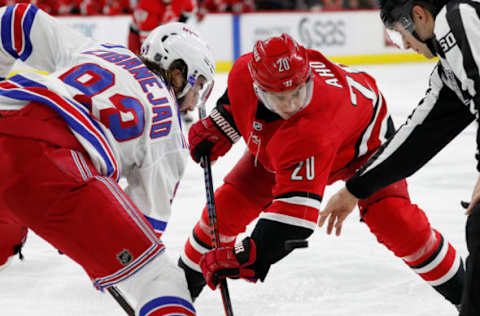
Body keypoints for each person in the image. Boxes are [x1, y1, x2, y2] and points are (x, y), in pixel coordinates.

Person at [177, 33, 465, 311]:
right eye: (280, 97)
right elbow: (235, 101)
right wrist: (221, 127)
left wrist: (248, 255)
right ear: (258, 88)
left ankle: (468, 295)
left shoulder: (311, 130)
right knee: (227, 208)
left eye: (298, 92)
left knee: (395, 221)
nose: (291, 104)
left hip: (364, 143)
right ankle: (175, 296)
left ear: (309, 80)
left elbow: (294, 222)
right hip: (290, 139)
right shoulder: (243, 71)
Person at [0, 4, 215, 315]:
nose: (197, 97)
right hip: (52, 163)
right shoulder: (169, 128)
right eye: (198, 85)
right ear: (179, 72)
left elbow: (15, 19)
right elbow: (145, 222)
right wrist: (91, 245)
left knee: (8, 228)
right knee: (161, 279)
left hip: (9, 107)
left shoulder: (102, 49)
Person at [318, 0, 480, 314]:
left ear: (419, 15)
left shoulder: (456, 17)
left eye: (400, 34)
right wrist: (356, 189)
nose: (404, 45)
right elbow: (415, 136)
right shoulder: (449, 68)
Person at [128, 0, 196, 55]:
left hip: (164, 29)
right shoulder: (147, 4)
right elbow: (147, 42)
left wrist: (178, 26)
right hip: (138, 36)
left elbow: (189, 10)